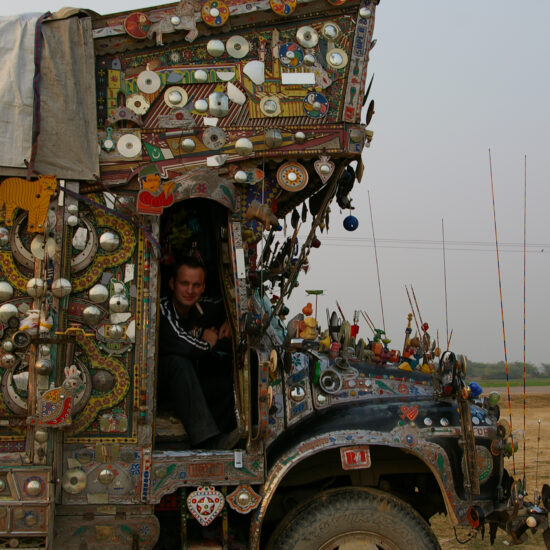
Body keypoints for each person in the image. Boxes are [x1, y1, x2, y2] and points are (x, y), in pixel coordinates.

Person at [157, 256, 239, 448]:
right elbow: (183, 344)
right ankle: (207, 440)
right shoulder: (162, 309)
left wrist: (231, 319)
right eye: (184, 283)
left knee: (229, 380)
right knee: (177, 361)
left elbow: (233, 303)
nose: (190, 291)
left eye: (196, 285)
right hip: (162, 389)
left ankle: (221, 435)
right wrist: (208, 343)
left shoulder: (204, 306)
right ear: (172, 284)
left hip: (190, 389)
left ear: (203, 287)